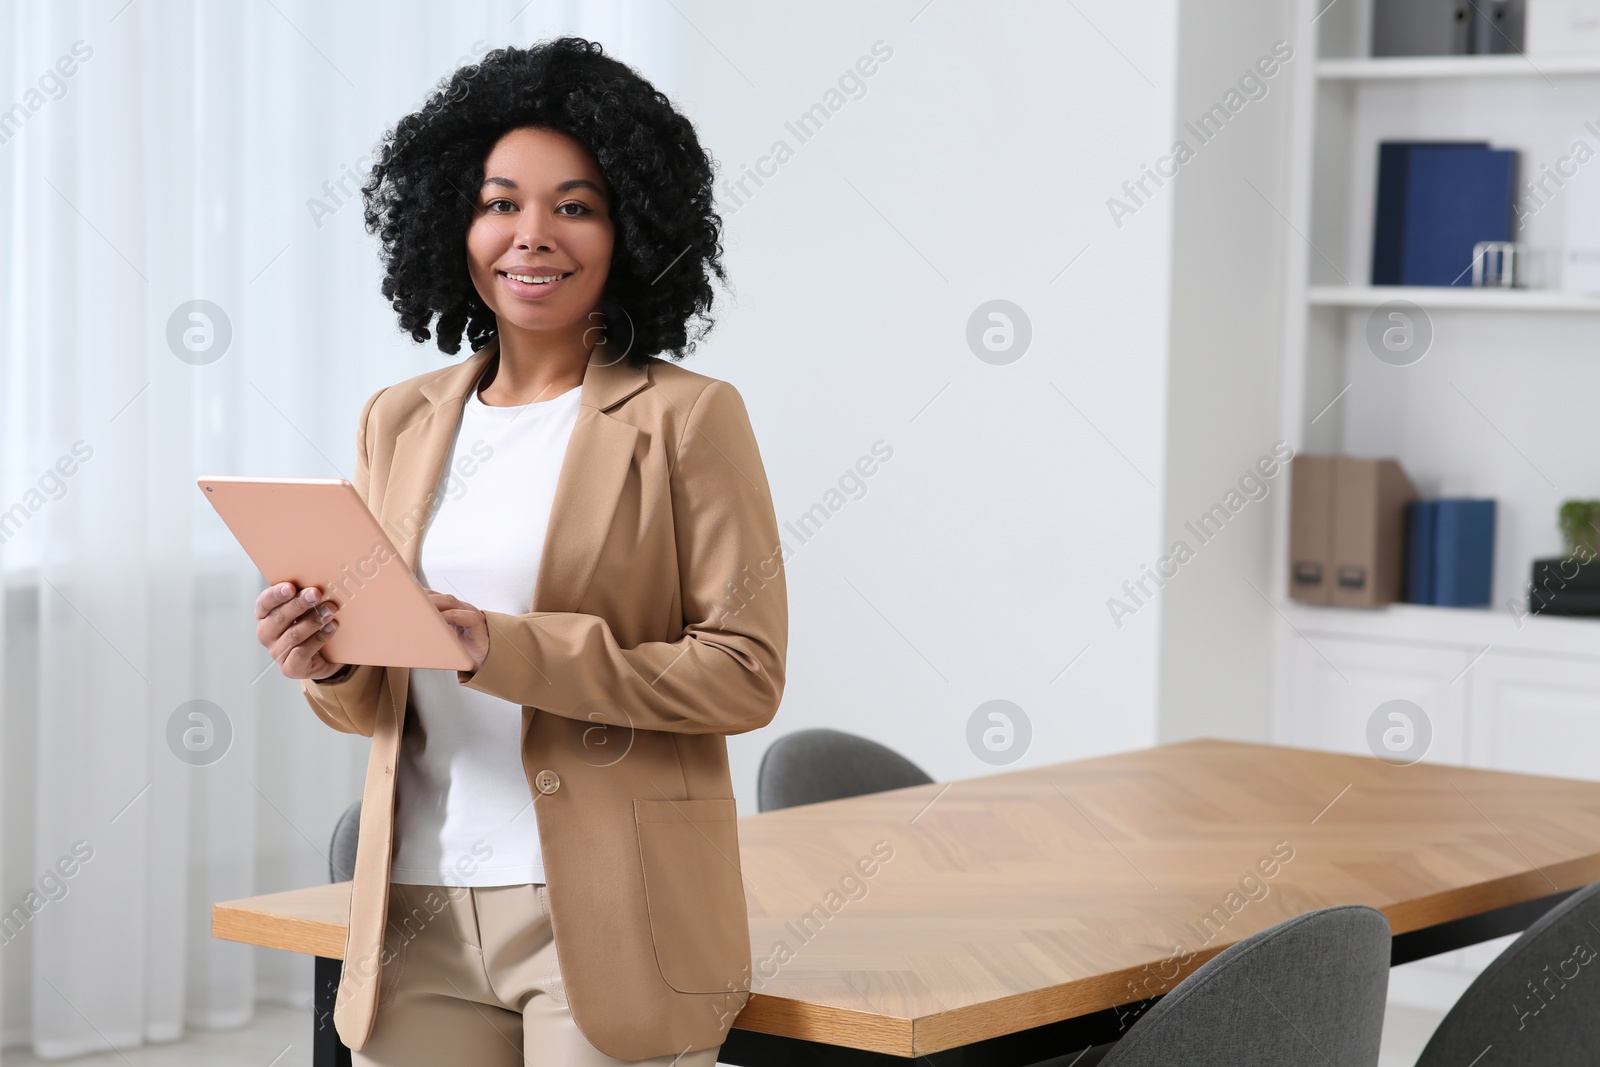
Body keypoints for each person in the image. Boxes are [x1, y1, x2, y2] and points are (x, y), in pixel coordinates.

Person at [252, 37, 788, 1066]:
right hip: (414, 907)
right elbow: (376, 697)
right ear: (452, 219)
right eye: (499, 202)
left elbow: (744, 672)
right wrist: (329, 660)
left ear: (631, 226)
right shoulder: (399, 419)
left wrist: (502, 647)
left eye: (574, 205)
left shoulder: (688, 418)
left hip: (609, 913)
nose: (530, 234)